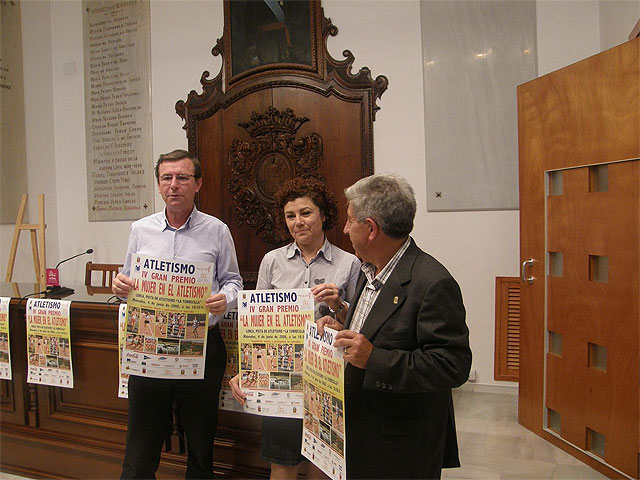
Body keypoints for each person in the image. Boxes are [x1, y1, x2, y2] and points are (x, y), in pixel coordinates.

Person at [318, 173, 472, 479]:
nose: (345, 228)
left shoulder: (432, 282)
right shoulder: (370, 268)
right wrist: (344, 327)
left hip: (399, 445)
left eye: (350, 220)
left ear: (371, 228)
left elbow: (452, 365)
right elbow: (380, 327)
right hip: (361, 432)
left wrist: (373, 358)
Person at [112, 149, 243, 479]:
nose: (174, 185)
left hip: (201, 346)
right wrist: (120, 285)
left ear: (197, 184)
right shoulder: (140, 229)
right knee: (141, 443)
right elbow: (127, 280)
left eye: (182, 178)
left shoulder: (217, 230)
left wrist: (225, 299)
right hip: (150, 346)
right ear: (158, 184)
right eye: (167, 178)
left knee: (200, 440)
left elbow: (233, 281)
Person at [229, 177, 360, 479]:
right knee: (282, 465)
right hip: (282, 379)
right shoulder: (272, 261)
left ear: (323, 215)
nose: (297, 222)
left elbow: (357, 325)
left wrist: (339, 304)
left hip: (327, 377)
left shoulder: (349, 263)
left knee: (322, 468)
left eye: (305, 213)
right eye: (290, 216)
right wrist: (245, 369)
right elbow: (255, 324)